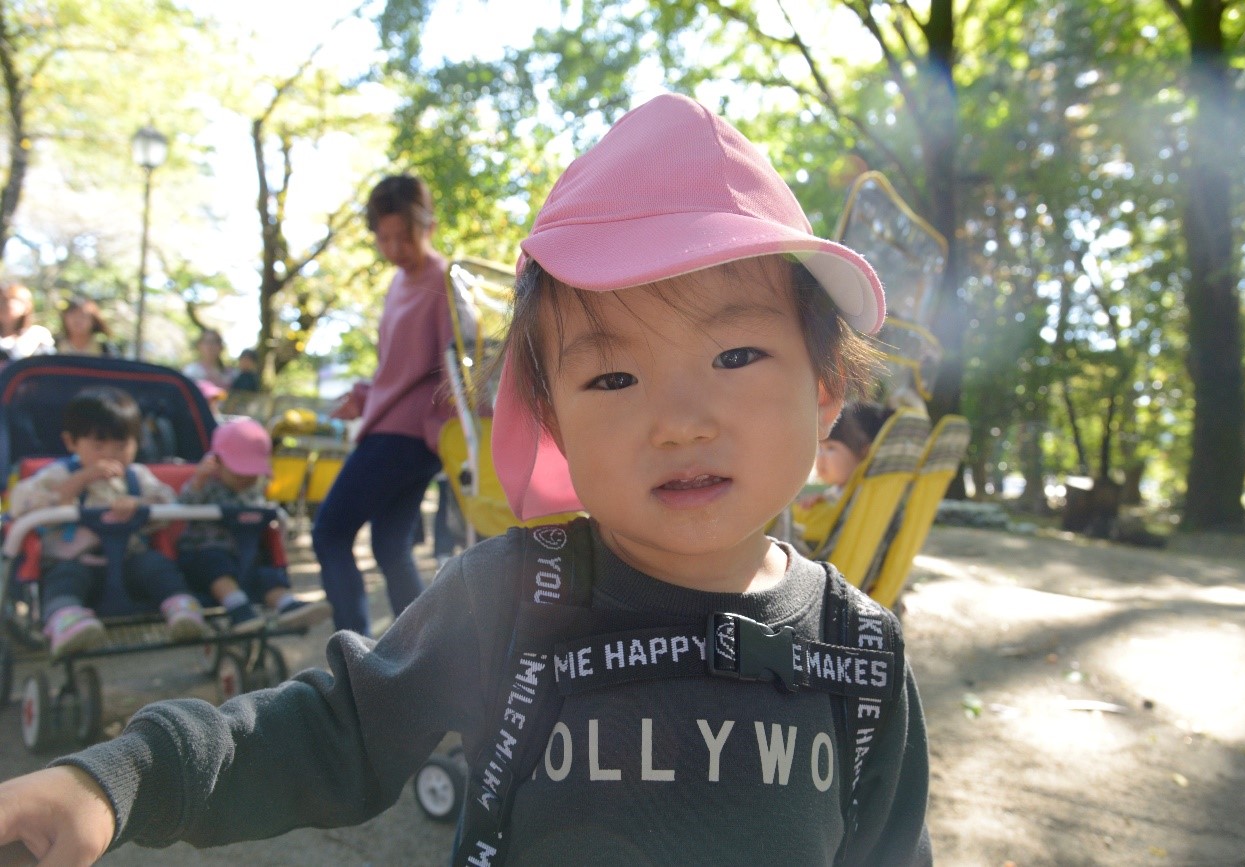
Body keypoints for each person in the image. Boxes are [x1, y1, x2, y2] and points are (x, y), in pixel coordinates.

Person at [0, 94, 930, 866]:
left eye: (734, 353)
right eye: (612, 375)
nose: (678, 419)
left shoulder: (863, 657)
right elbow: (329, 730)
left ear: (823, 391)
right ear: (556, 419)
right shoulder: (515, 598)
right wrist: (120, 777)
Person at [311, 173, 458, 636]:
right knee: (390, 545)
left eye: (404, 236)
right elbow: (393, 367)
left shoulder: (443, 278)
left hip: (405, 437)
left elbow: (455, 365)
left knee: (330, 533)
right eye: (385, 238)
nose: (395, 248)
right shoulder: (397, 283)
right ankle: (418, 653)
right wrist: (362, 396)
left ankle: (351, 653)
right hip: (388, 426)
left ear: (427, 226)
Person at [6, 386, 211, 658]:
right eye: (99, 445)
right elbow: (20, 502)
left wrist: (139, 505)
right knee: (64, 579)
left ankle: (182, 608)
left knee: (157, 566)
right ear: (71, 443)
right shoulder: (59, 473)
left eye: (121, 445)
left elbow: (168, 502)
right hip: (76, 560)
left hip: (129, 559)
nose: (111, 454)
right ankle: (67, 621)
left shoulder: (137, 476)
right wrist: (75, 485)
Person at [176, 417, 332, 633]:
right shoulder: (208, 485)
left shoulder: (254, 491)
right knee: (216, 565)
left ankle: (287, 606)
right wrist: (198, 481)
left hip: (245, 556)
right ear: (217, 462)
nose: (245, 480)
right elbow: (181, 507)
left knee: (267, 572)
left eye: (251, 475)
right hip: (203, 553)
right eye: (239, 474)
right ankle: (238, 609)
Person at [793, 401, 894, 550]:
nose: (820, 456)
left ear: (864, 452)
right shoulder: (842, 492)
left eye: (831, 448)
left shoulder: (863, 497)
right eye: (819, 447)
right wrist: (824, 499)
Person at [0, 280, 55, 360]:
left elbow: (49, 365)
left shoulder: (37, 334)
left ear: (26, 306)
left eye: (5, 300)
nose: (1, 305)